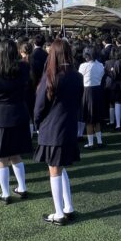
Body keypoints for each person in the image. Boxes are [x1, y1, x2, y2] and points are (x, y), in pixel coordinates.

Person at [34, 39, 84, 226]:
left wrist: (37, 123)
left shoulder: (50, 77)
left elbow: (39, 107)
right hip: (69, 126)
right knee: (60, 167)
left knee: (54, 170)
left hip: (52, 128)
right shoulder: (77, 76)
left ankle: (59, 213)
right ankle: (68, 207)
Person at [0, 39, 32, 203]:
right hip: (19, 114)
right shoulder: (23, 68)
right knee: (16, 155)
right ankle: (22, 187)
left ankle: (6, 193)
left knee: (1, 158)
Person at [78, 47, 106, 148]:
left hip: (87, 91)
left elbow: (80, 78)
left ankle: (90, 143)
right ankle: (99, 141)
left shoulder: (83, 66)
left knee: (89, 119)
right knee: (97, 118)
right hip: (98, 90)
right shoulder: (100, 65)